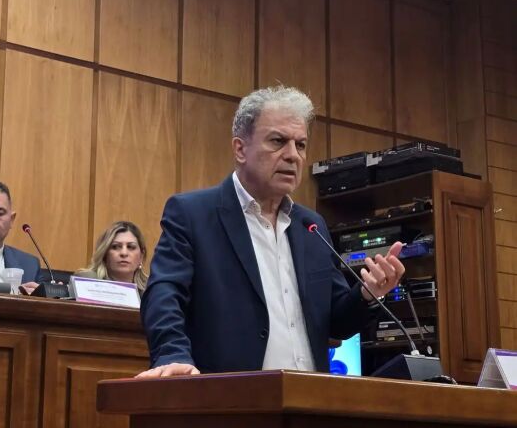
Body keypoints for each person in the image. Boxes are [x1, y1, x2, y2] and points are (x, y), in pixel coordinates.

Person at [137, 86, 405, 378]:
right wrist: (172, 353)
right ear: (240, 149)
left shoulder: (311, 226)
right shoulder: (193, 214)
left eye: (300, 145)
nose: (293, 156)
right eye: (278, 141)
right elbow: (164, 294)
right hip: (232, 394)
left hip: (310, 396)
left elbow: (336, 322)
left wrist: (367, 294)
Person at [76, 221, 149, 292]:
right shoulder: (88, 280)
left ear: (141, 256)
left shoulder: (150, 290)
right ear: (105, 254)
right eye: (115, 247)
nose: (124, 253)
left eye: (131, 247)